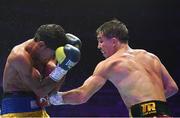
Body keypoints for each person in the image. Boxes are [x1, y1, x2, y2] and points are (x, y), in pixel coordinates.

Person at [49, 19, 179, 117]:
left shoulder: (110, 64)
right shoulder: (151, 57)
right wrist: (150, 104)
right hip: (165, 114)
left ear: (114, 41)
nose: (98, 46)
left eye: (101, 40)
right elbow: (172, 88)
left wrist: (54, 98)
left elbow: (81, 96)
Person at [1, 24, 81, 117]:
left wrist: (64, 67)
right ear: (41, 45)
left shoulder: (48, 51)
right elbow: (40, 91)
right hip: (16, 113)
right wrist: (62, 69)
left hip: (40, 111)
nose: (53, 57)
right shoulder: (19, 57)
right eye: (54, 53)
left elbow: (52, 91)